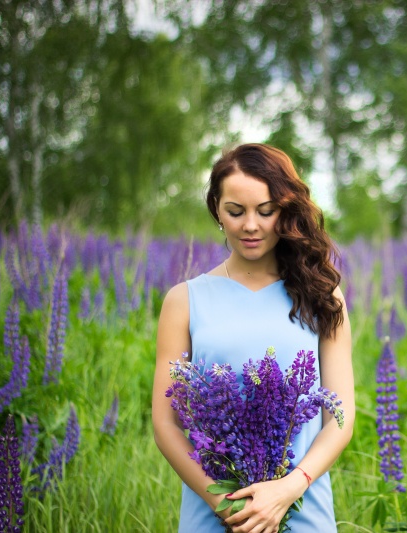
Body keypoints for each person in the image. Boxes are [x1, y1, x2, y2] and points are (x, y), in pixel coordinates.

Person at [152, 143, 354, 533]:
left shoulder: (322, 295)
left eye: (265, 211)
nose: (250, 225)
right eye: (235, 211)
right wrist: (227, 506)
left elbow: (340, 419)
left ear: (286, 211)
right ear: (216, 209)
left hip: (302, 508)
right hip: (215, 511)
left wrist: (287, 490)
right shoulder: (184, 300)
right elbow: (166, 424)